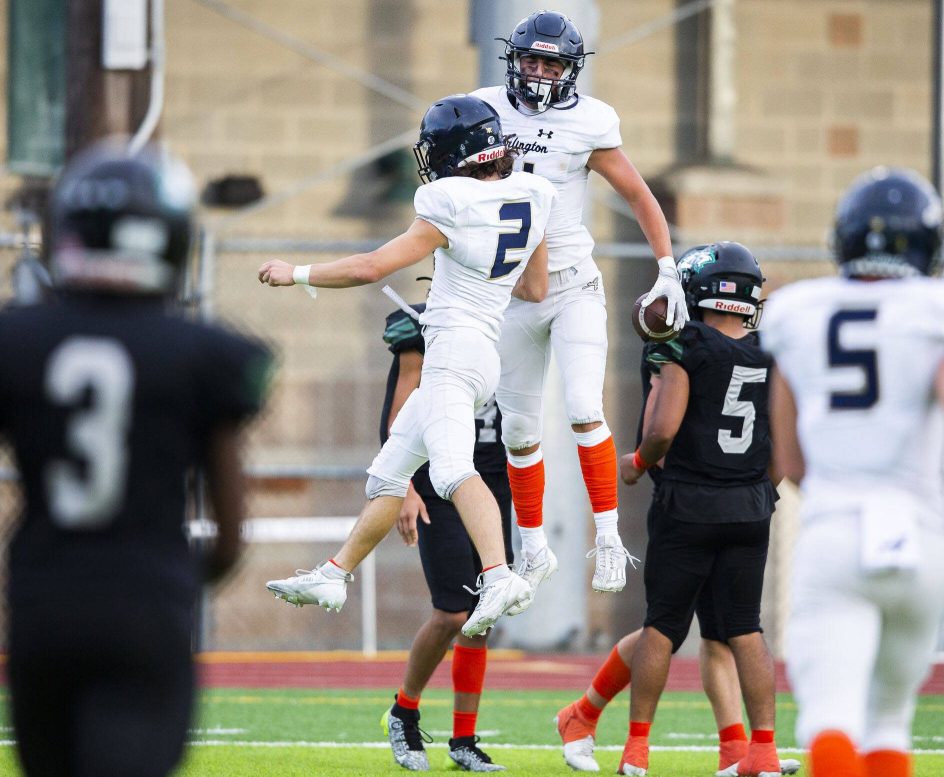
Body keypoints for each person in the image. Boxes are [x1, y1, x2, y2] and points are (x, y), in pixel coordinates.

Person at [0, 139, 272, 777]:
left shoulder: (17, 340)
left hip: (43, 602)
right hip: (147, 601)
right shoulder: (207, 354)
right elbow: (231, 538)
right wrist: (172, 578)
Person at [261, 93, 557, 638]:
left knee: (448, 472)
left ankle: (499, 574)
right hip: (479, 352)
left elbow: (371, 266)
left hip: (453, 355)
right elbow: (536, 288)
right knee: (388, 476)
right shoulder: (536, 193)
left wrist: (297, 273)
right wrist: (478, 276)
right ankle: (334, 573)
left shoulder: (449, 202)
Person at [761, 167, 944, 777]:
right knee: (889, 717)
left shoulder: (799, 310)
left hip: (833, 528)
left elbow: (791, 458)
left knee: (830, 719)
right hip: (918, 532)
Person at [554, 249, 799, 777]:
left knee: (663, 626)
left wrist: (637, 464)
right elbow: (782, 442)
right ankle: (760, 751)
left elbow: (662, 429)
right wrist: (758, 490)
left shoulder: (683, 346)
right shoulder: (770, 352)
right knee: (743, 630)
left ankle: (635, 748)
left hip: (688, 502)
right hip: (748, 506)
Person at [471, 10, 686, 598]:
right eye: (531, 60)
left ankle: (610, 539)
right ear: (513, 60)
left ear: (571, 69)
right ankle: (532, 547)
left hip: (571, 284)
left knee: (583, 406)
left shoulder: (591, 121)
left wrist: (666, 264)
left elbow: (638, 193)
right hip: (513, 290)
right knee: (517, 426)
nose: (539, 72)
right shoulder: (483, 107)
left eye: (552, 63)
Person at [376, 293, 511, 772]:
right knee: (453, 612)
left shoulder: (508, 318)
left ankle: (463, 739)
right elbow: (398, 419)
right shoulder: (425, 322)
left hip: (494, 481)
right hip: (440, 478)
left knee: (483, 614)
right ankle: (404, 711)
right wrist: (405, 486)